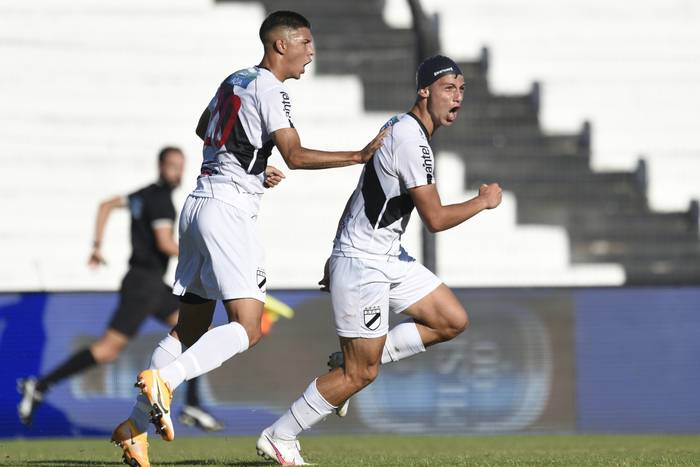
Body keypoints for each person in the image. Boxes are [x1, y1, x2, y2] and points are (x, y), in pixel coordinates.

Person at [112, 10, 387, 467]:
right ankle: (169, 380)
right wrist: (358, 155)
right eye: (304, 41)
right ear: (280, 45)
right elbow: (296, 156)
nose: (311, 51)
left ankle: (134, 427)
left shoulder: (234, 79)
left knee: (190, 328)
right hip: (228, 212)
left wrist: (253, 161)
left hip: (199, 203)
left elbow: (206, 128)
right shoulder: (271, 88)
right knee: (248, 325)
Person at [255, 55, 504, 465]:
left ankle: (350, 357)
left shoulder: (401, 128)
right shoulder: (411, 141)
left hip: (383, 255)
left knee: (450, 320)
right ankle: (280, 435)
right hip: (365, 261)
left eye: (461, 89)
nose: (457, 97)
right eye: (448, 88)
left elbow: (363, 194)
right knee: (361, 375)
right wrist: (483, 201)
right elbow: (436, 219)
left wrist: (336, 251)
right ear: (423, 90)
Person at [17, 147, 227, 433]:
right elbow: (164, 243)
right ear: (161, 166)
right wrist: (205, 255)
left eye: (180, 166)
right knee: (107, 350)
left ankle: (191, 404)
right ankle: (39, 386)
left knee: (195, 330)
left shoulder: (143, 195)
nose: (177, 172)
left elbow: (106, 205)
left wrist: (96, 247)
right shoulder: (161, 201)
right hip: (144, 285)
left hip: (149, 283)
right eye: (172, 166)